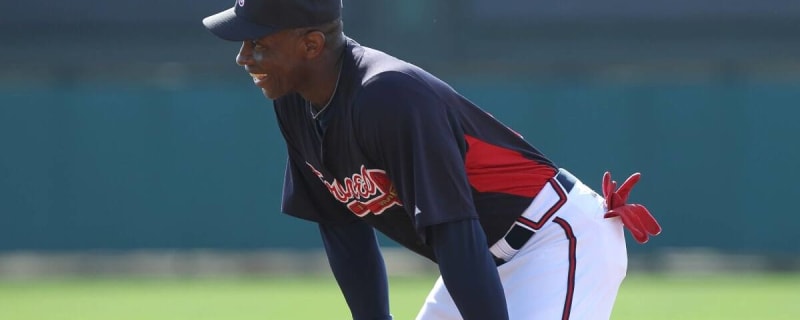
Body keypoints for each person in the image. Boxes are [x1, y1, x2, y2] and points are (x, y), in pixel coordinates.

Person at [202, 0, 662, 319]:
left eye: (258, 43)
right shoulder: (294, 101)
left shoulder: (387, 96)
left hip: (553, 241)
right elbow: (342, 225)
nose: (244, 57)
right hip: (481, 258)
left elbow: (454, 230)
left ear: (311, 45)